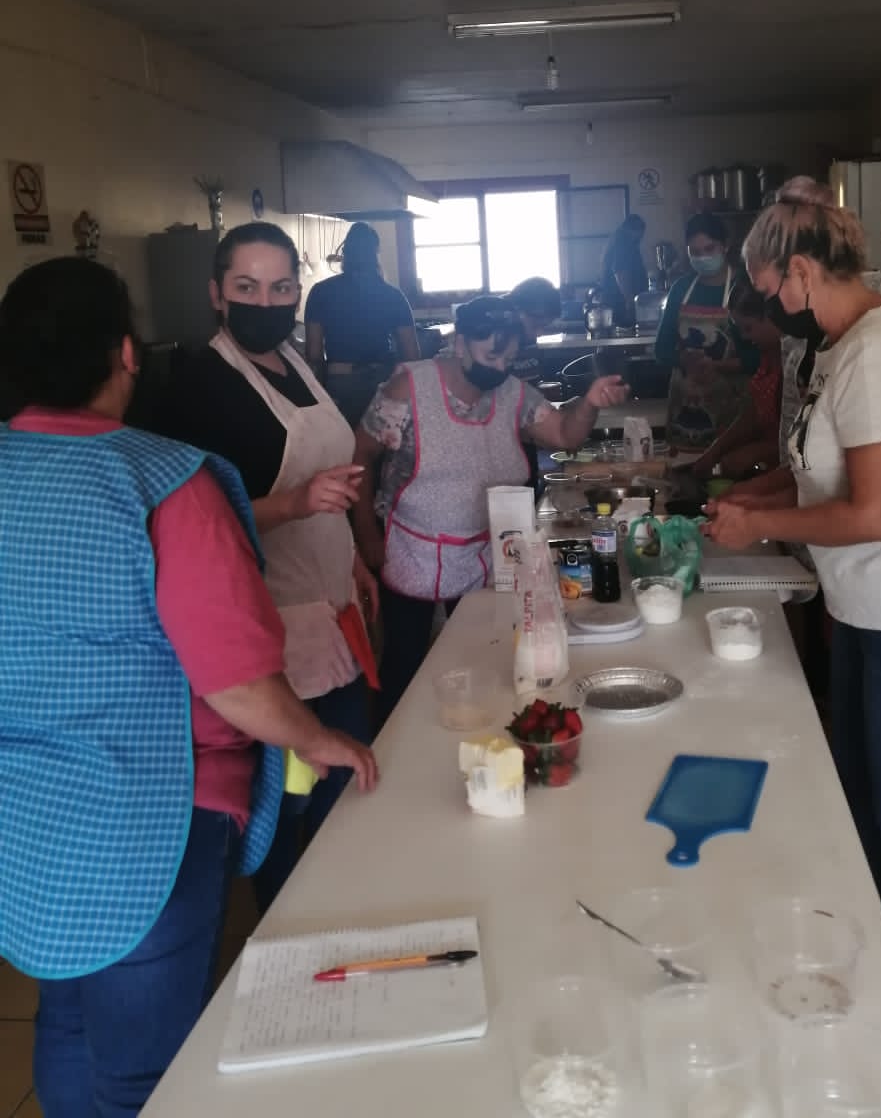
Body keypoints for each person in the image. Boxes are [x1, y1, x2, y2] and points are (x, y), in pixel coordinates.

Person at [0, 257, 377, 1117]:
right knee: (145, 1072)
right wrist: (319, 738)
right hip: (147, 817)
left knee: (67, 1017)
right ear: (127, 355)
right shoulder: (164, 481)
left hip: (24, 807)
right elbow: (235, 680)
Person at [707, 183, 881, 1107]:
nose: (770, 311)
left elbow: (874, 513)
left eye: (771, 292)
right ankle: (869, 985)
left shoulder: (880, 353)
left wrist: (760, 529)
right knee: (861, 812)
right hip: (872, 611)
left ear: (800, 271)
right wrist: (753, 497)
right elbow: (818, 472)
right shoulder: (838, 349)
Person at [155, 221, 380, 912]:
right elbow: (189, 532)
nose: (266, 302)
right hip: (271, 633)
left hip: (331, 608)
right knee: (290, 800)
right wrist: (294, 504)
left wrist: (351, 559)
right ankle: (291, 926)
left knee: (349, 783)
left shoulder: (295, 363)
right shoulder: (199, 388)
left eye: (282, 288)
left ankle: (352, 907)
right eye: (247, 287)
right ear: (217, 294)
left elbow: (331, 481)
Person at [352, 295, 627, 727]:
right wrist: (366, 532)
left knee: (483, 656)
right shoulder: (408, 389)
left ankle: (476, 734)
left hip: (485, 554)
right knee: (405, 664)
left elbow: (563, 434)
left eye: (509, 359)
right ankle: (394, 744)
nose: (499, 368)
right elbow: (361, 456)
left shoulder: (513, 393)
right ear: (460, 343)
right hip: (411, 552)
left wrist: (589, 402)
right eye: (491, 356)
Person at [654, 213, 757, 450]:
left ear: (725, 245)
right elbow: (661, 349)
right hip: (684, 409)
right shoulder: (681, 289)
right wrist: (684, 360)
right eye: (695, 251)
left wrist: (719, 366)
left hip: (733, 409)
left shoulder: (744, 286)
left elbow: (760, 357)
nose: (702, 257)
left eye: (709, 249)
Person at [305, 221, 420, 429]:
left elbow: (314, 354)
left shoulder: (321, 292)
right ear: (375, 254)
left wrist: (321, 398)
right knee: (382, 443)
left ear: (345, 253)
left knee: (344, 442)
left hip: (341, 382)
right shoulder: (392, 295)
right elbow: (411, 355)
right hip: (383, 381)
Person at [690, 282, 782, 478]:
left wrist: (758, 451)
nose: (744, 336)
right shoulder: (768, 355)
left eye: (748, 328)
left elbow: (805, 438)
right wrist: (716, 450)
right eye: (740, 329)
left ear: (772, 316)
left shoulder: (800, 359)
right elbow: (754, 412)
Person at [508, 276, 563, 489]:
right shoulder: (494, 343)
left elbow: (528, 389)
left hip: (526, 438)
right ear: (517, 309)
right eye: (536, 324)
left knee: (529, 487)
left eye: (544, 326)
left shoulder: (527, 339)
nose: (539, 332)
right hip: (502, 442)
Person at [598, 213, 648, 328]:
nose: (641, 237)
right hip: (621, 306)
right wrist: (630, 301)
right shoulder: (624, 244)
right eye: (641, 233)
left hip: (616, 303)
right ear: (634, 230)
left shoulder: (617, 242)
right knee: (626, 336)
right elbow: (620, 272)